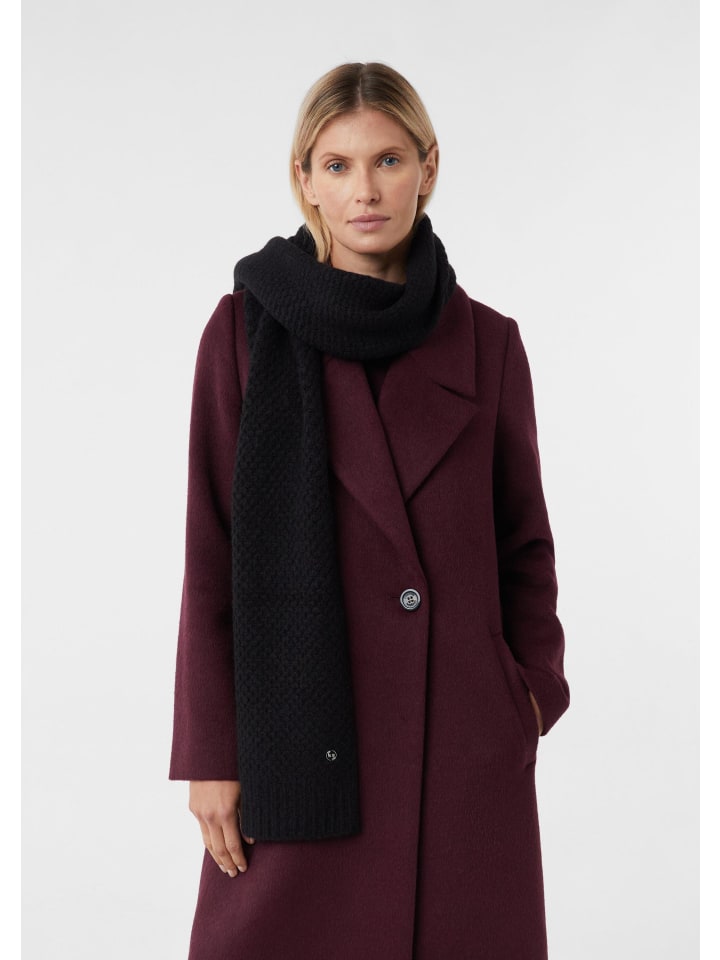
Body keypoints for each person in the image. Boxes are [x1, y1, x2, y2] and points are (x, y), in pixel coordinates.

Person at [170, 61, 570, 960]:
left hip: (461, 747)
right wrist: (210, 751)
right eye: (338, 164)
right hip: (298, 738)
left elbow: (525, 543)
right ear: (304, 178)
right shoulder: (243, 333)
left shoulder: (489, 342)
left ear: (429, 167)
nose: (365, 190)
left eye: (388, 160)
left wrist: (529, 693)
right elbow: (209, 552)